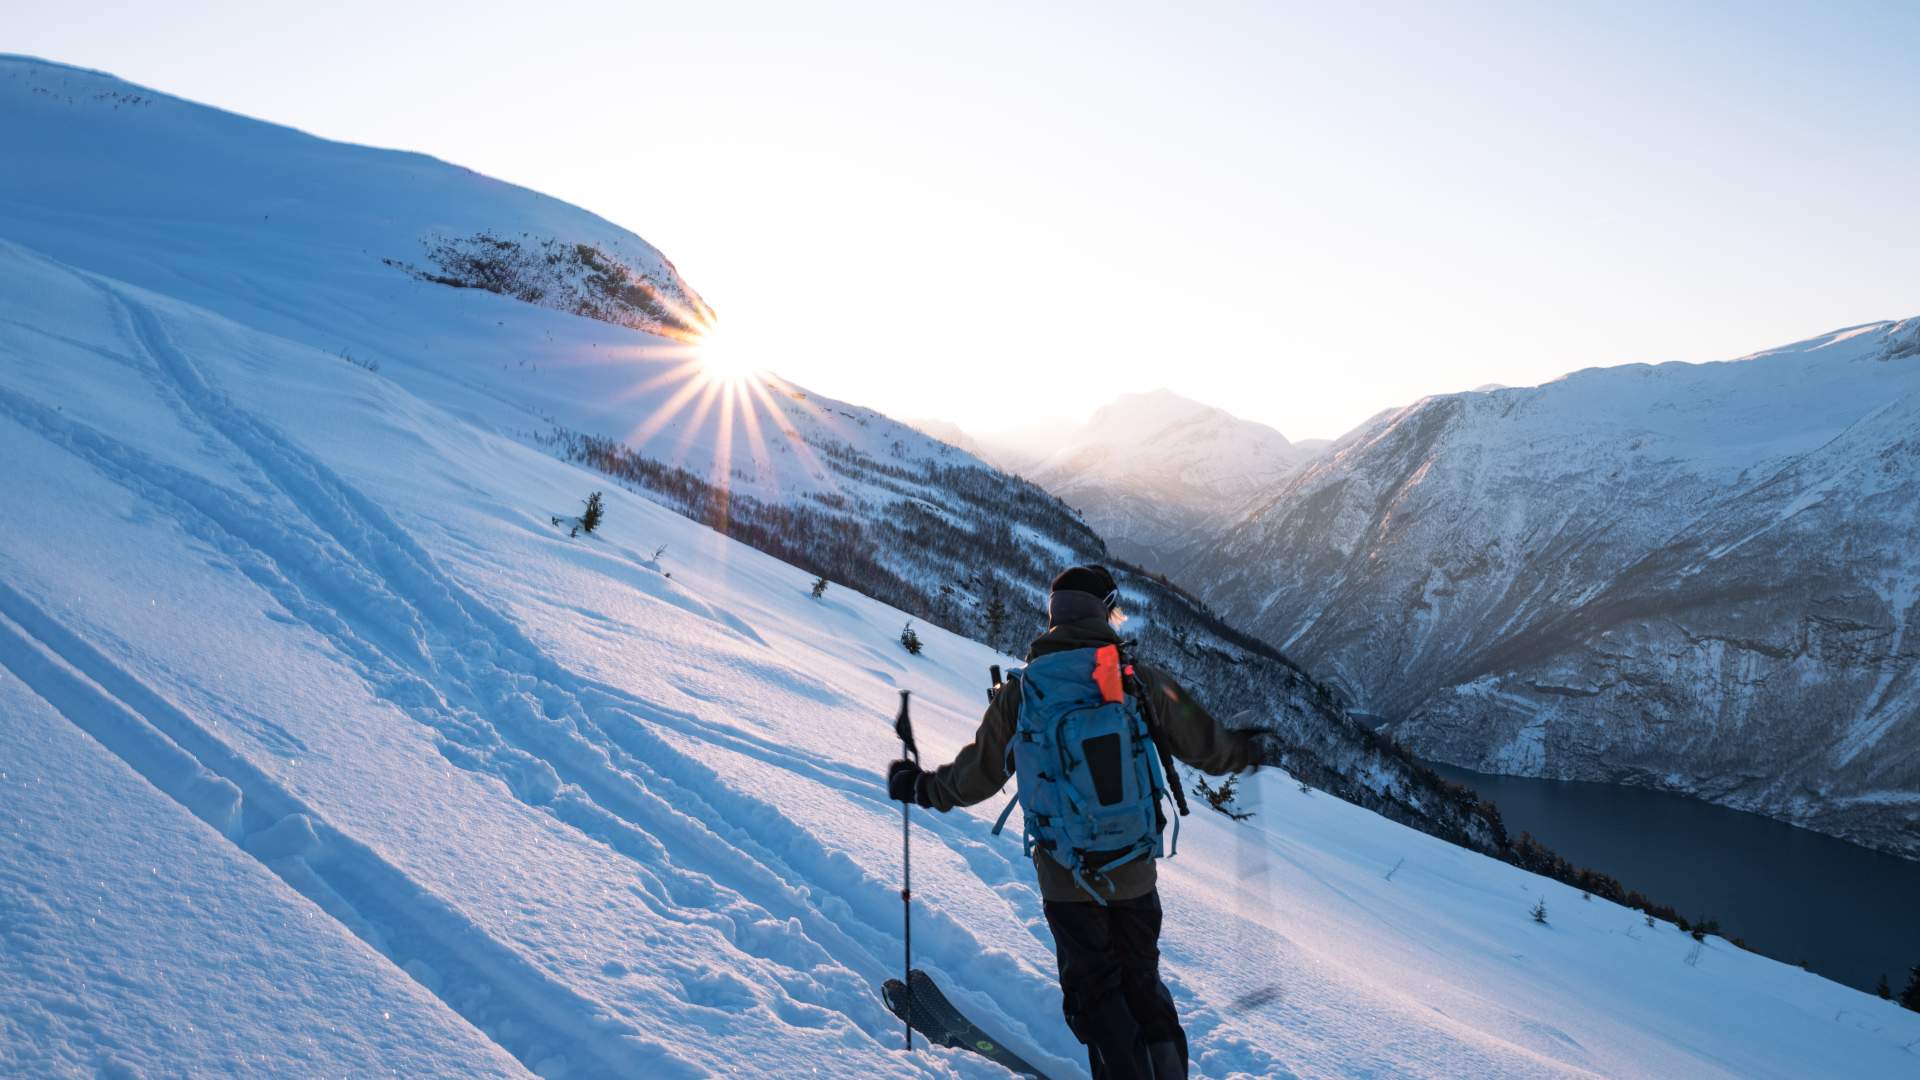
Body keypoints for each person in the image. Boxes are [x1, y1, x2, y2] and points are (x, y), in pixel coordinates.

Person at [886, 564, 1265, 1080]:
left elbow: (977, 776)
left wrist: (922, 787)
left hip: (1066, 876)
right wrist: (1243, 751)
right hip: (1132, 868)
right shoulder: (1134, 680)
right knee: (1143, 985)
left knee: (1096, 995)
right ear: (1105, 611)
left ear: (1054, 617)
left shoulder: (1024, 693)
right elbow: (1206, 746)